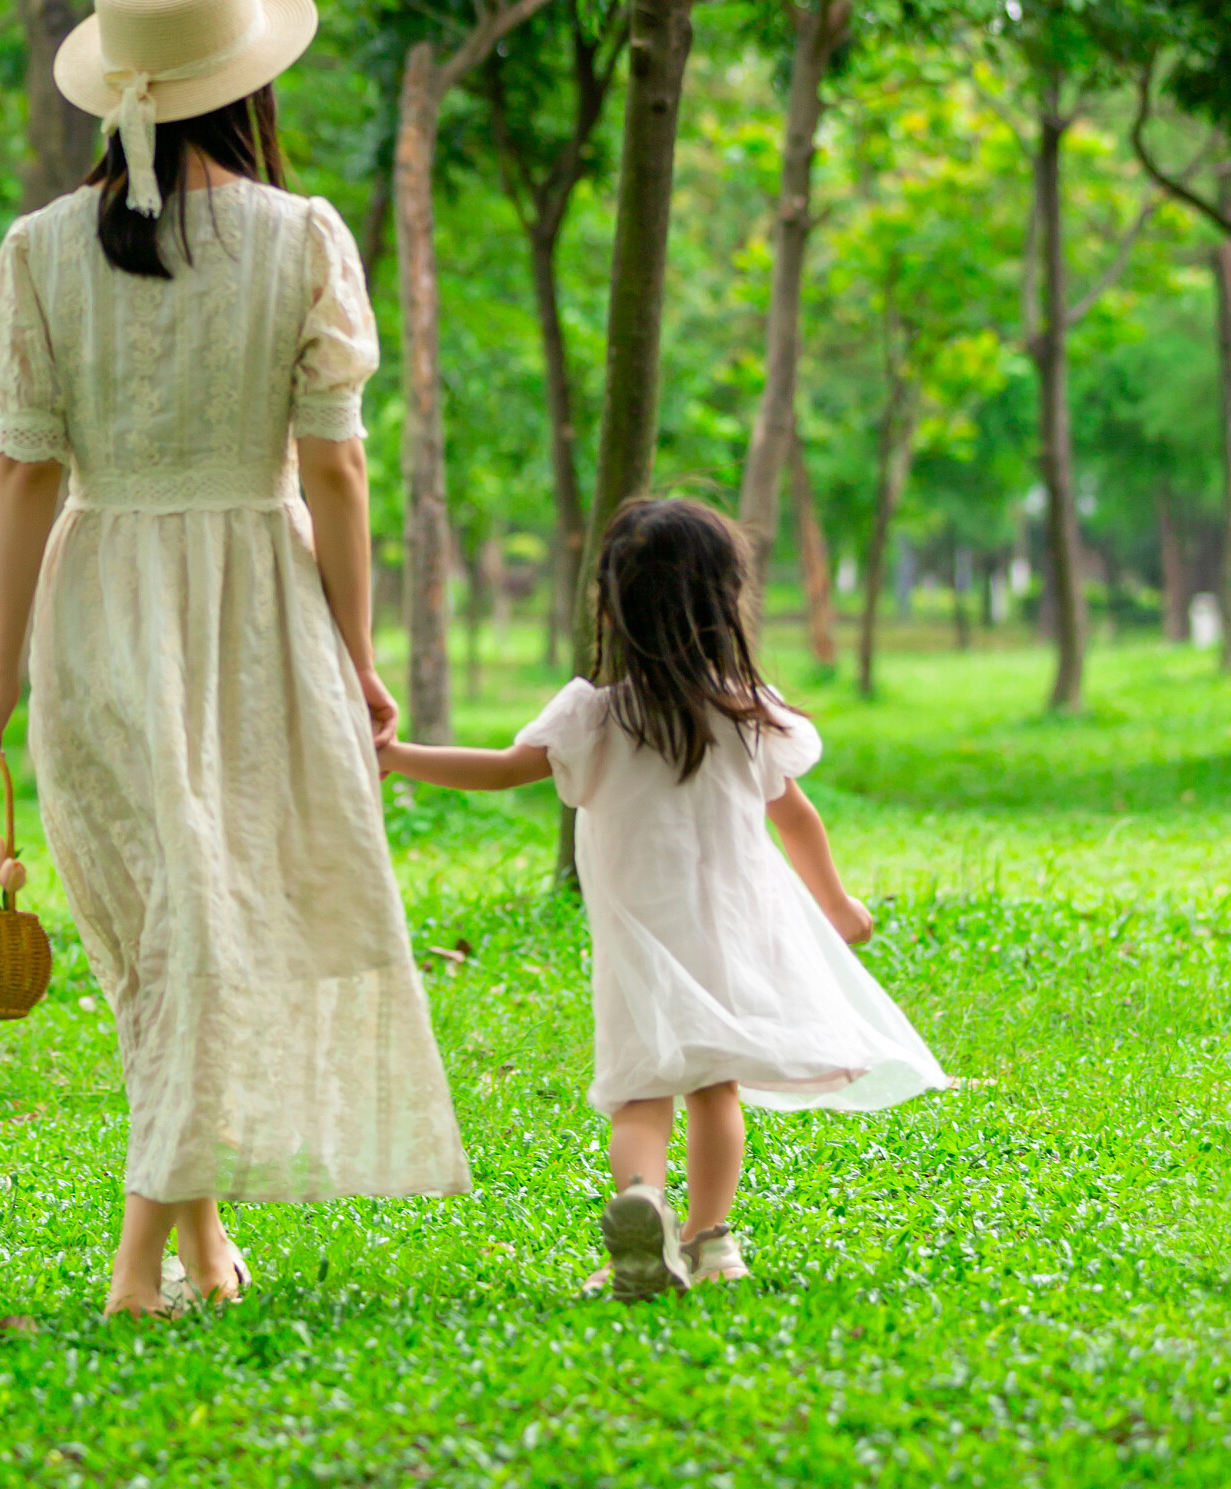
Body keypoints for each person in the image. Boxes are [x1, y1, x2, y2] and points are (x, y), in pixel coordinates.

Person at [0, 0, 468, 1317]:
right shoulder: (303, 238)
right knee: (199, 918)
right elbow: (339, 469)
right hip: (256, 604)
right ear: (245, 81)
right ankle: (151, 1259)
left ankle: (190, 1249)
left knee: (179, 922)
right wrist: (359, 659)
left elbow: (23, 469)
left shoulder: (39, 251)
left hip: (101, 603)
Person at [381, 495, 944, 1300]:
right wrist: (838, 902)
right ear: (725, 604)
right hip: (729, 936)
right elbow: (798, 816)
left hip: (639, 940)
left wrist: (399, 755)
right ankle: (711, 1240)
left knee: (641, 1089)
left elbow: (502, 768)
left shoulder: (594, 716)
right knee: (715, 1089)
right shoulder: (747, 717)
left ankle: (638, 1210)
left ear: (610, 603)